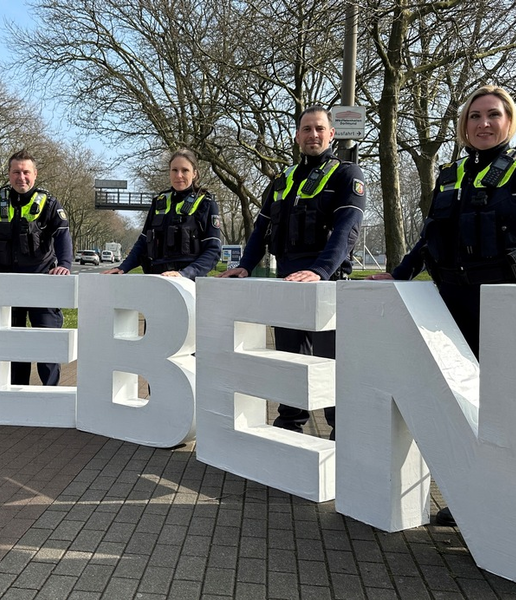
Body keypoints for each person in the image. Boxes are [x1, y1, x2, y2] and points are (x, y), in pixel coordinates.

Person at [368, 85, 516, 527]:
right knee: (463, 405)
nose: (483, 124)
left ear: (509, 121)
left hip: (502, 304)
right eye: (474, 116)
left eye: (493, 115)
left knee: (502, 410)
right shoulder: (450, 173)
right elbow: (430, 237)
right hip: (449, 303)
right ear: (463, 125)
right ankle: (473, 496)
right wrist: (398, 273)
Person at [219, 106, 366, 440]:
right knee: (289, 361)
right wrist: (245, 264)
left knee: (331, 365)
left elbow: (347, 230)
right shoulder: (282, 180)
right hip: (288, 284)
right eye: (306, 129)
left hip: (328, 285)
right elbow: (261, 231)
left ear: (331, 134)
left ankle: (340, 433)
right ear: (297, 136)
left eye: (319, 129)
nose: (312, 135)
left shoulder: (347, 174)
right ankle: (288, 426)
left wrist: (319, 271)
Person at [0, 149, 72, 386]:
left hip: (41, 283)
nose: (21, 177)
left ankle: (50, 395)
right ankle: (16, 394)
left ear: (35, 174)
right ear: (8, 174)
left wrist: (64, 265)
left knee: (47, 343)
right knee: (12, 345)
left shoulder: (50, 203)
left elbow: (63, 235)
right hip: (6, 283)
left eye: (26, 172)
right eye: (16, 172)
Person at [102, 148, 222, 279]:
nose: (179, 175)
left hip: (188, 283)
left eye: (185, 170)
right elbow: (143, 242)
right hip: (156, 280)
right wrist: (122, 268)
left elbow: (213, 250)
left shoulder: (206, 204)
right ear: (169, 172)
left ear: (194, 174)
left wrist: (185, 274)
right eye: (174, 170)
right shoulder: (159, 202)